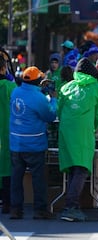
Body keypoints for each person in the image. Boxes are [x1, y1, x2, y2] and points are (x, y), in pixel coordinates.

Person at [58, 58, 98, 222]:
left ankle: (73, 206)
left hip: (66, 132)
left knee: (73, 168)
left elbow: (59, 110)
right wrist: (93, 127)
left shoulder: (66, 87)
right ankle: (70, 207)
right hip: (84, 133)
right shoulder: (97, 88)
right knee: (81, 168)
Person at [9, 66, 57, 219]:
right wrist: (53, 98)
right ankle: (40, 210)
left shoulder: (16, 92)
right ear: (37, 81)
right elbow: (49, 116)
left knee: (16, 177)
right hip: (34, 144)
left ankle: (15, 209)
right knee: (38, 178)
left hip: (16, 143)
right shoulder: (38, 98)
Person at [0, 55, 17, 214]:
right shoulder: (10, 88)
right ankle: (6, 202)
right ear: (4, 69)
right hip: (6, 132)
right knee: (6, 167)